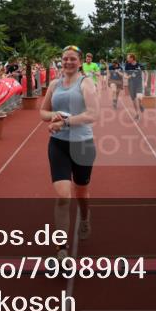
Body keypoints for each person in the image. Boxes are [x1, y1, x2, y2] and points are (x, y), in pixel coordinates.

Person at [40, 46, 99, 259]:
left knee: (81, 192)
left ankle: (84, 217)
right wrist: (53, 116)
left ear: (80, 61)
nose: (68, 62)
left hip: (82, 144)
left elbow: (93, 115)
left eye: (72, 59)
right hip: (58, 145)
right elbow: (42, 111)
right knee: (63, 195)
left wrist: (64, 122)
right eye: (65, 59)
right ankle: (61, 248)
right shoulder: (55, 84)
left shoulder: (86, 83)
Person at [123, 52, 145, 121]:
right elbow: (125, 75)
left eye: (128, 58)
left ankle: (141, 104)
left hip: (138, 83)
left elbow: (146, 73)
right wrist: (127, 77)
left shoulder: (139, 65)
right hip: (131, 84)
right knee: (133, 99)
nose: (127, 59)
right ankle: (137, 113)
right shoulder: (127, 65)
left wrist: (146, 81)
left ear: (132, 58)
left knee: (139, 96)